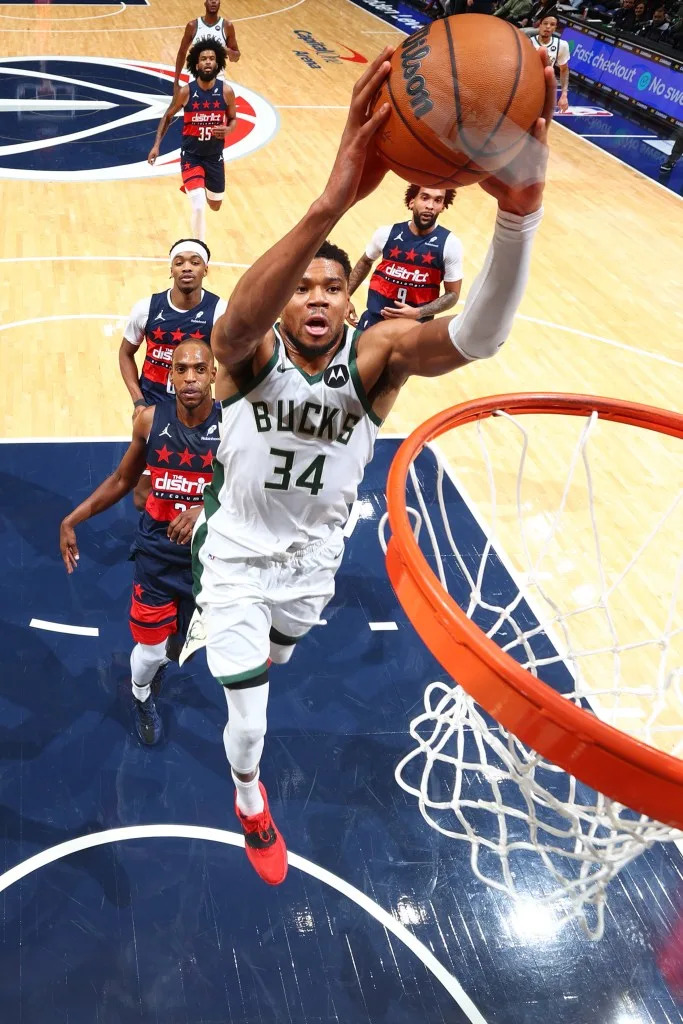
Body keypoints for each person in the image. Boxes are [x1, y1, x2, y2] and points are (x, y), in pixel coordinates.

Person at [184, 47, 555, 886]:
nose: (315, 298)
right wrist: (329, 201)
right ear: (286, 299)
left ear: (350, 298)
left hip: (313, 561)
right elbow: (229, 329)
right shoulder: (252, 354)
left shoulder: (378, 355)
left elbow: (479, 339)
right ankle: (248, 794)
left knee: (278, 660)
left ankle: (255, 663)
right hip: (237, 552)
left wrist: (518, 216)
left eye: (329, 289)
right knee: (251, 711)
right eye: (302, 288)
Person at [60, 341, 220, 746]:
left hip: (209, 563)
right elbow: (122, 481)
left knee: (181, 646)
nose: (189, 378)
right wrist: (73, 517)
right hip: (155, 559)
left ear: (214, 374)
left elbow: (251, 492)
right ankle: (141, 695)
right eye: (180, 370)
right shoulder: (149, 421)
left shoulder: (235, 426)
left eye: (199, 369)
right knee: (149, 652)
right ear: (169, 376)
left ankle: (158, 664)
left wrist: (204, 508)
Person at [118, 239, 225, 508]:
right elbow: (125, 354)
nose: (186, 268)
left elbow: (229, 365)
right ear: (171, 270)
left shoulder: (220, 311)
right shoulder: (147, 308)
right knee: (143, 495)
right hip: (155, 410)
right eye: (179, 262)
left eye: (194, 262)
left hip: (197, 414)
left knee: (198, 487)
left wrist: (222, 408)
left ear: (206, 270)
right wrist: (138, 402)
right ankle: (157, 539)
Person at [148, 40, 236, 241]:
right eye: (203, 59)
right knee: (198, 205)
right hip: (192, 157)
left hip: (214, 157)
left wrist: (228, 129)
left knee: (215, 205)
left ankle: (196, 185)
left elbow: (233, 119)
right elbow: (168, 117)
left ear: (218, 64)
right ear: (196, 65)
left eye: (212, 59)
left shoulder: (226, 92)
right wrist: (156, 146)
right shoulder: (187, 91)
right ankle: (200, 248)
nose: (207, 62)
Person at [347, 185, 463, 331]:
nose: (430, 206)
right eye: (425, 197)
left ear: (443, 207)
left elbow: (452, 294)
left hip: (414, 330)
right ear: (411, 201)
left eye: (438, 200)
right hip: (373, 322)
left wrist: (418, 312)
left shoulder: (450, 244)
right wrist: (346, 296)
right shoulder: (386, 233)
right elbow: (365, 261)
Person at [174, 0, 240, 94]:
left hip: (218, 78)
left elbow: (236, 58)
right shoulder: (193, 26)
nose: (213, 2)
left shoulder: (227, 26)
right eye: (210, 0)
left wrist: (226, 50)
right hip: (195, 77)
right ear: (205, 3)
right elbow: (182, 53)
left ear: (219, 3)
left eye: (216, 0)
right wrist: (176, 82)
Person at [528, 14, 570, 112]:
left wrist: (564, 95)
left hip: (543, 88)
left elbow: (564, 70)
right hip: (526, 84)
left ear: (555, 28)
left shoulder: (562, 45)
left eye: (552, 24)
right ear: (540, 25)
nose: (548, 27)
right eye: (545, 23)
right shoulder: (528, 41)